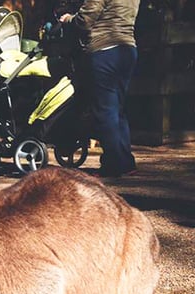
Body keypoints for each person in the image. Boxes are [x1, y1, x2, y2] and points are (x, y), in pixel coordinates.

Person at [59, 0, 139, 177]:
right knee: (118, 110)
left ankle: (113, 165)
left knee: (105, 111)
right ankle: (125, 162)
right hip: (128, 49)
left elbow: (85, 20)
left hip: (104, 50)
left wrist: (68, 19)